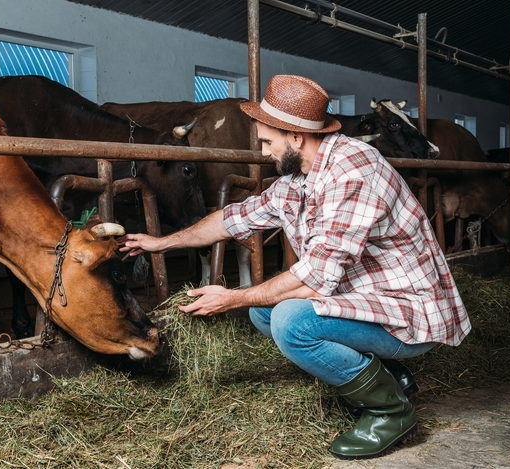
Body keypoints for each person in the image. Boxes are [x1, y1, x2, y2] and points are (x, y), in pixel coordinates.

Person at [119, 74, 470, 459]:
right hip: (367, 296)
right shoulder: (300, 176)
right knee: (263, 311)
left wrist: (231, 298)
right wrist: (161, 242)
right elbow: (234, 218)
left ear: (296, 136)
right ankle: (392, 377)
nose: (264, 151)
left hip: (409, 314)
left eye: (268, 141)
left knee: (291, 321)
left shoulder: (352, 172)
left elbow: (316, 279)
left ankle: (388, 411)